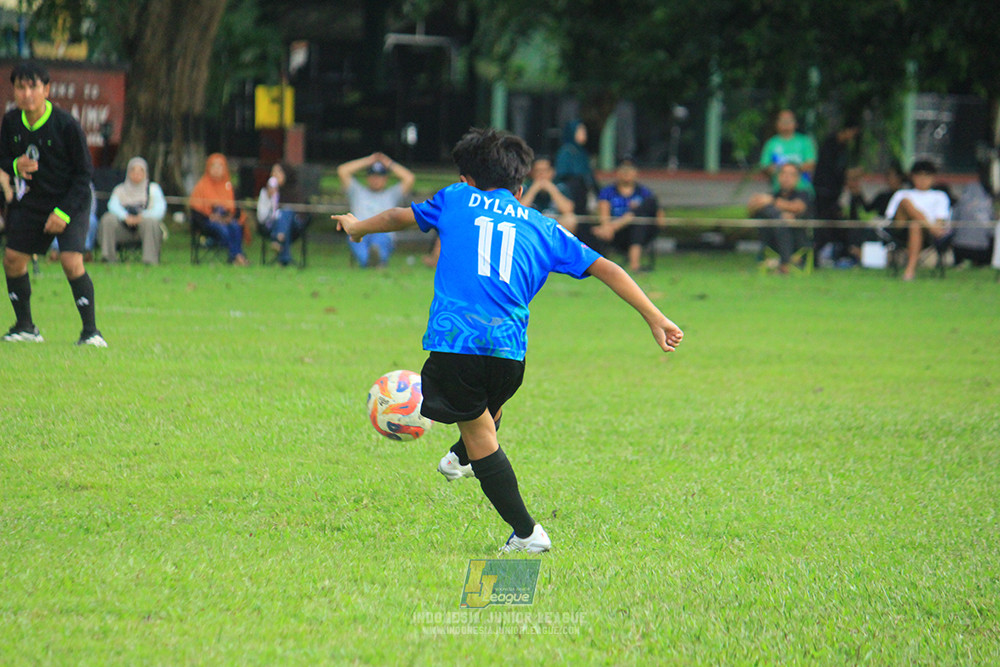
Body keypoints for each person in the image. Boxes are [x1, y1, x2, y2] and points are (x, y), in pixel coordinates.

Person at [332, 127, 683, 553]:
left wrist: (357, 229)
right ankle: (458, 458)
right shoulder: (542, 225)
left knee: (482, 438)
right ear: (520, 185)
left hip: (456, 344)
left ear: (468, 179)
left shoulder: (456, 198)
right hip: (510, 355)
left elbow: (395, 217)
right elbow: (606, 267)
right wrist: (655, 317)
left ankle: (526, 532)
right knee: (483, 412)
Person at [0, 61, 105, 346]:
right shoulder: (10, 122)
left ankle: (91, 333)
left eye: (33, 86)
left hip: (71, 200)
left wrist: (63, 212)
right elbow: (2, 160)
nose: (27, 93)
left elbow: (85, 174)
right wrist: (13, 163)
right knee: (12, 259)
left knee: (71, 261)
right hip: (33, 202)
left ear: (46, 89)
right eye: (20, 87)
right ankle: (25, 327)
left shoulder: (66, 125)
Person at [336, 152, 415, 268]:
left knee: (379, 242)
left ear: (386, 178)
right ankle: (373, 262)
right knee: (357, 241)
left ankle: (372, 260)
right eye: (373, 175)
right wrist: (368, 160)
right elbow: (342, 170)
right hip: (359, 231)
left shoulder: (392, 194)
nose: (376, 179)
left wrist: (388, 163)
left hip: (383, 233)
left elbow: (409, 178)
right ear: (367, 177)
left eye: (380, 176)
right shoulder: (357, 192)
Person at [587, 157, 662, 273]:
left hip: (639, 232)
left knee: (640, 217)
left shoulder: (644, 192)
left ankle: (634, 265)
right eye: (623, 169)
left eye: (630, 169)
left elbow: (659, 218)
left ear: (636, 172)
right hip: (615, 234)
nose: (626, 173)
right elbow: (603, 214)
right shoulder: (608, 192)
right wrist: (608, 227)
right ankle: (632, 265)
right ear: (617, 172)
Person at [884, 160, 952, 281]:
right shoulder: (902, 193)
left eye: (927, 175)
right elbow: (891, 217)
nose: (922, 179)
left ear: (933, 178)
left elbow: (940, 220)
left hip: (926, 235)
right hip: (901, 230)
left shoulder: (940, 196)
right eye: (919, 175)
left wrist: (927, 226)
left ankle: (909, 271)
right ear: (912, 177)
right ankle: (926, 226)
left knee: (915, 225)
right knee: (905, 202)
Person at [98, 157, 166, 264]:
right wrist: (125, 217)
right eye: (133, 170)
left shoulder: (153, 189)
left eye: (140, 171)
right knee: (108, 219)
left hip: (144, 230)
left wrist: (142, 217)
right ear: (128, 173)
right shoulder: (120, 190)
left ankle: (150, 260)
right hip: (124, 229)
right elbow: (112, 205)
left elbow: (160, 209)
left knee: (151, 222)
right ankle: (108, 257)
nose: (136, 174)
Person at [748, 162, 813, 274]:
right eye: (783, 174)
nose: (786, 178)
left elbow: (798, 207)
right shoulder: (774, 195)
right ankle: (781, 262)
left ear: (797, 178)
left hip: (797, 243)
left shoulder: (803, 194)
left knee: (776, 216)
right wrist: (757, 202)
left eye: (791, 174)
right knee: (767, 212)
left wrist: (773, 204)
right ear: (778, 177)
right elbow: (752, 209)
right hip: (773, 242)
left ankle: (784, 263)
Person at [812, 118, 861, 265]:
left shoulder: (843, 147)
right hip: (823, 193)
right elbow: (830, 171)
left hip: (833, 194)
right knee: (825, 225)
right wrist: (848, 175)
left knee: (834, 223)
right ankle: (816, 253)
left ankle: (833, 253)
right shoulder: (830, 144)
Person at [189, 153, 249, 266]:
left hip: (226, 220)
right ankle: (237, 257)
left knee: (235, 227)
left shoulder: (229, 187)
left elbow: (236, 210)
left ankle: (235, 256)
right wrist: (212, 218)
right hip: (208, 223)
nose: (217, 170)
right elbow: (196, 211)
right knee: (223, 231)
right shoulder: (201, 186)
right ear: (208, 168)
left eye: (220, 166)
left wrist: (227, 217)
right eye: (214, 166)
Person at [257, 162, 308, 266]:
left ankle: (278, 239)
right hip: (271, 225)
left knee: (287, 211)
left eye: (279, 171)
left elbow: (302, 214)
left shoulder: (295, 191)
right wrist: (269, 197)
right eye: (273, 171)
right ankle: (284, 256)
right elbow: (262, 217)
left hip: (294, 225)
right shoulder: (266, 192)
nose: (275, 174)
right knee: (283, 219)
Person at [758, 109, 816, 192]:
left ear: (795, 123)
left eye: (789, 121)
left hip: (803, 188)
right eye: (783, 121)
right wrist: (775, 170)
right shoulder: (771, 143)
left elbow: (811, 163)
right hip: (780, 190)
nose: (786, 124)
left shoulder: (805, 142)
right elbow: (765, 165)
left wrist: (790, 169)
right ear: (777, 124)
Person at [520, 155, 576, 232]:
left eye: (545, 171)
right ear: (532, 172)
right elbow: (519, 209)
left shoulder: (560, 186)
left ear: (552, 172)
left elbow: (568, 210)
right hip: (532, 223)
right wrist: (533, 189)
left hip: (553, 223)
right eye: (538, 171)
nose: (541, 174)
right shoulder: (526, 187)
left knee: (570, 219)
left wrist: (551, 189)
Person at [555, 120, 599, 215]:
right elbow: (562, 174)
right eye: (580, 131)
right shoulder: (566, 151)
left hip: (584, 193)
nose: (584, 133)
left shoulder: (582, 152)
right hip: (572, 193)